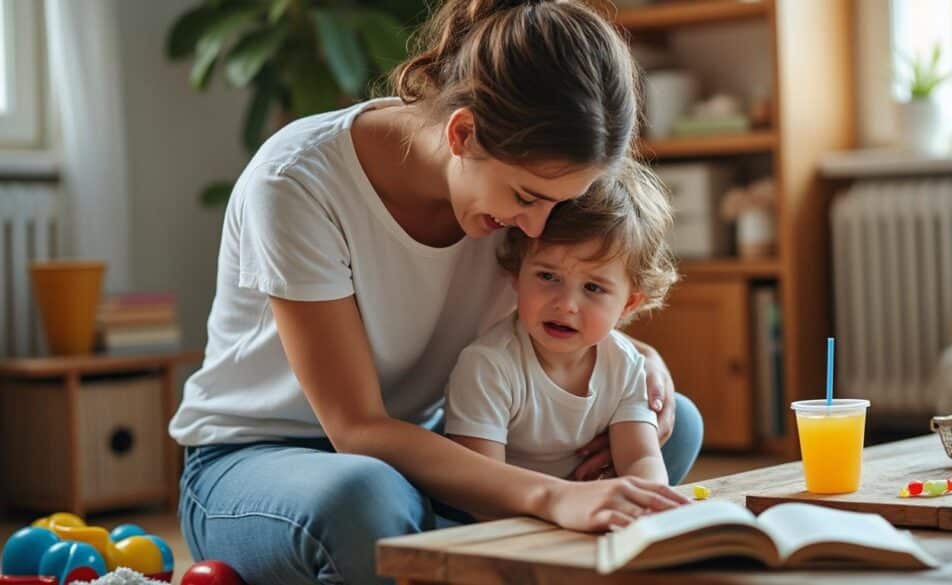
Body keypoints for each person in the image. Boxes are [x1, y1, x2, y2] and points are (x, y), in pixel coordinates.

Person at [169, 1, 704, 584]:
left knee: (670, 423)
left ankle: (443, 546)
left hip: (425, 443)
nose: (536, 227)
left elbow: (567, 303)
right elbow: (357, 429)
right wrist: (551, 496)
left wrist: (633, 359)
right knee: (366, 499)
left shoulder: (525, 191)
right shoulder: (298, 181)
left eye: (559, 204)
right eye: (525, 198)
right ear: (463, 133)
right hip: (262, 462)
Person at [445, 161, 682, 489]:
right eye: (548, 277)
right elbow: (481, 487)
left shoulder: (624, 364)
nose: (566, 304)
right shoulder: (488, 366)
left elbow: (641, 459)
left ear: (629, 304)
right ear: (516, 276)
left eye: (593, 288)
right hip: (496, 509)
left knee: (681, 423)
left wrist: (648, 499)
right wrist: (567, 504)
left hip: (579, 505)